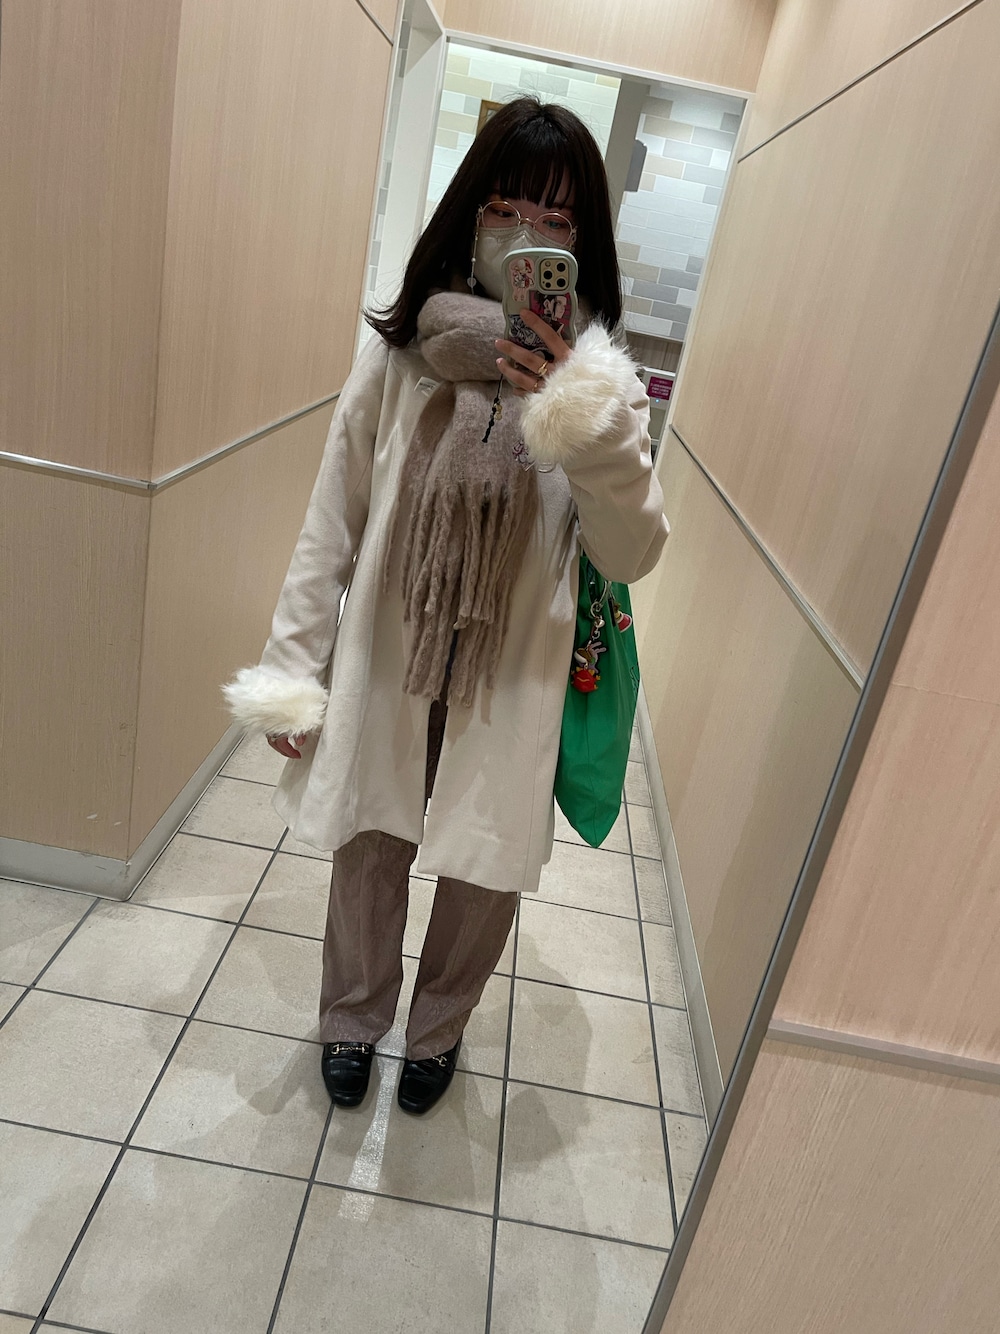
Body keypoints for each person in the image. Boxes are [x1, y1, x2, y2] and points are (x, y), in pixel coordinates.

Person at [224, 97, 668, 1116]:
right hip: (395, 650)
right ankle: (351, 1016)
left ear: (580, 247)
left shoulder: (603, 387)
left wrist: (582, 413)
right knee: (368, 839)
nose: (526, 235)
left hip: (512, 669)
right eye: (506, 209)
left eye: (554, 221)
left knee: (482, 868)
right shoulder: (400, 356)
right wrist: (293, 669)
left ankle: (436, 1031)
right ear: (470, 217)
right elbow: (332, 516)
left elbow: (631, 550)